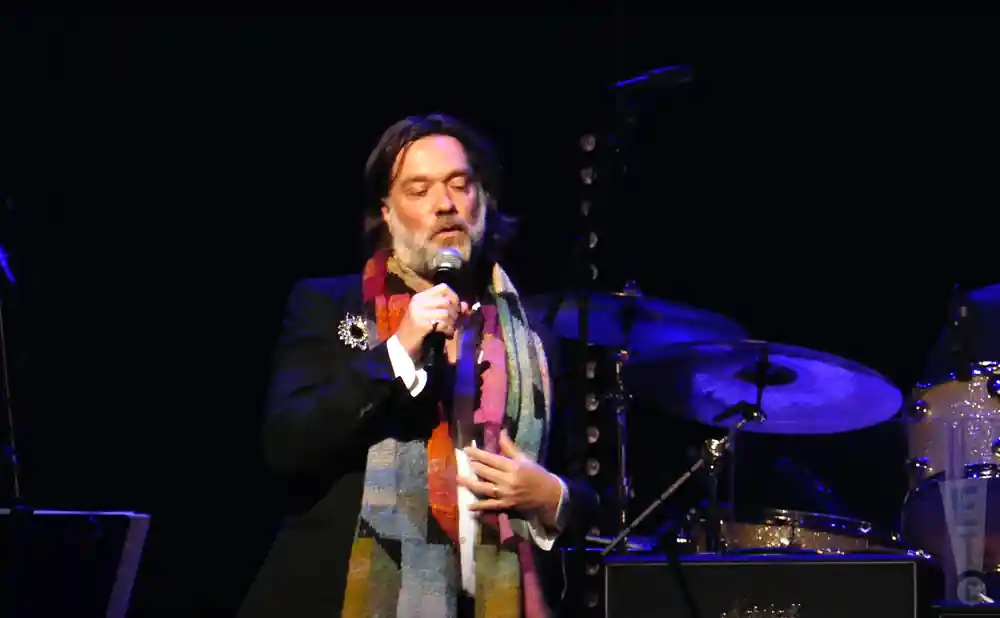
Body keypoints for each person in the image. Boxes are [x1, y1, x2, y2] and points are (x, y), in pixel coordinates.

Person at [238, 113, 598, 618]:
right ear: (387, 212)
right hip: (341, 597)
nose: (444, 204)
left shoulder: (534, 334)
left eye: (459, 184)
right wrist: (398, 350)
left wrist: (551, 495)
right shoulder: (327, 303)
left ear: (484, 202)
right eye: (419, 189)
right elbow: (287, 444)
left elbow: (586, 486)